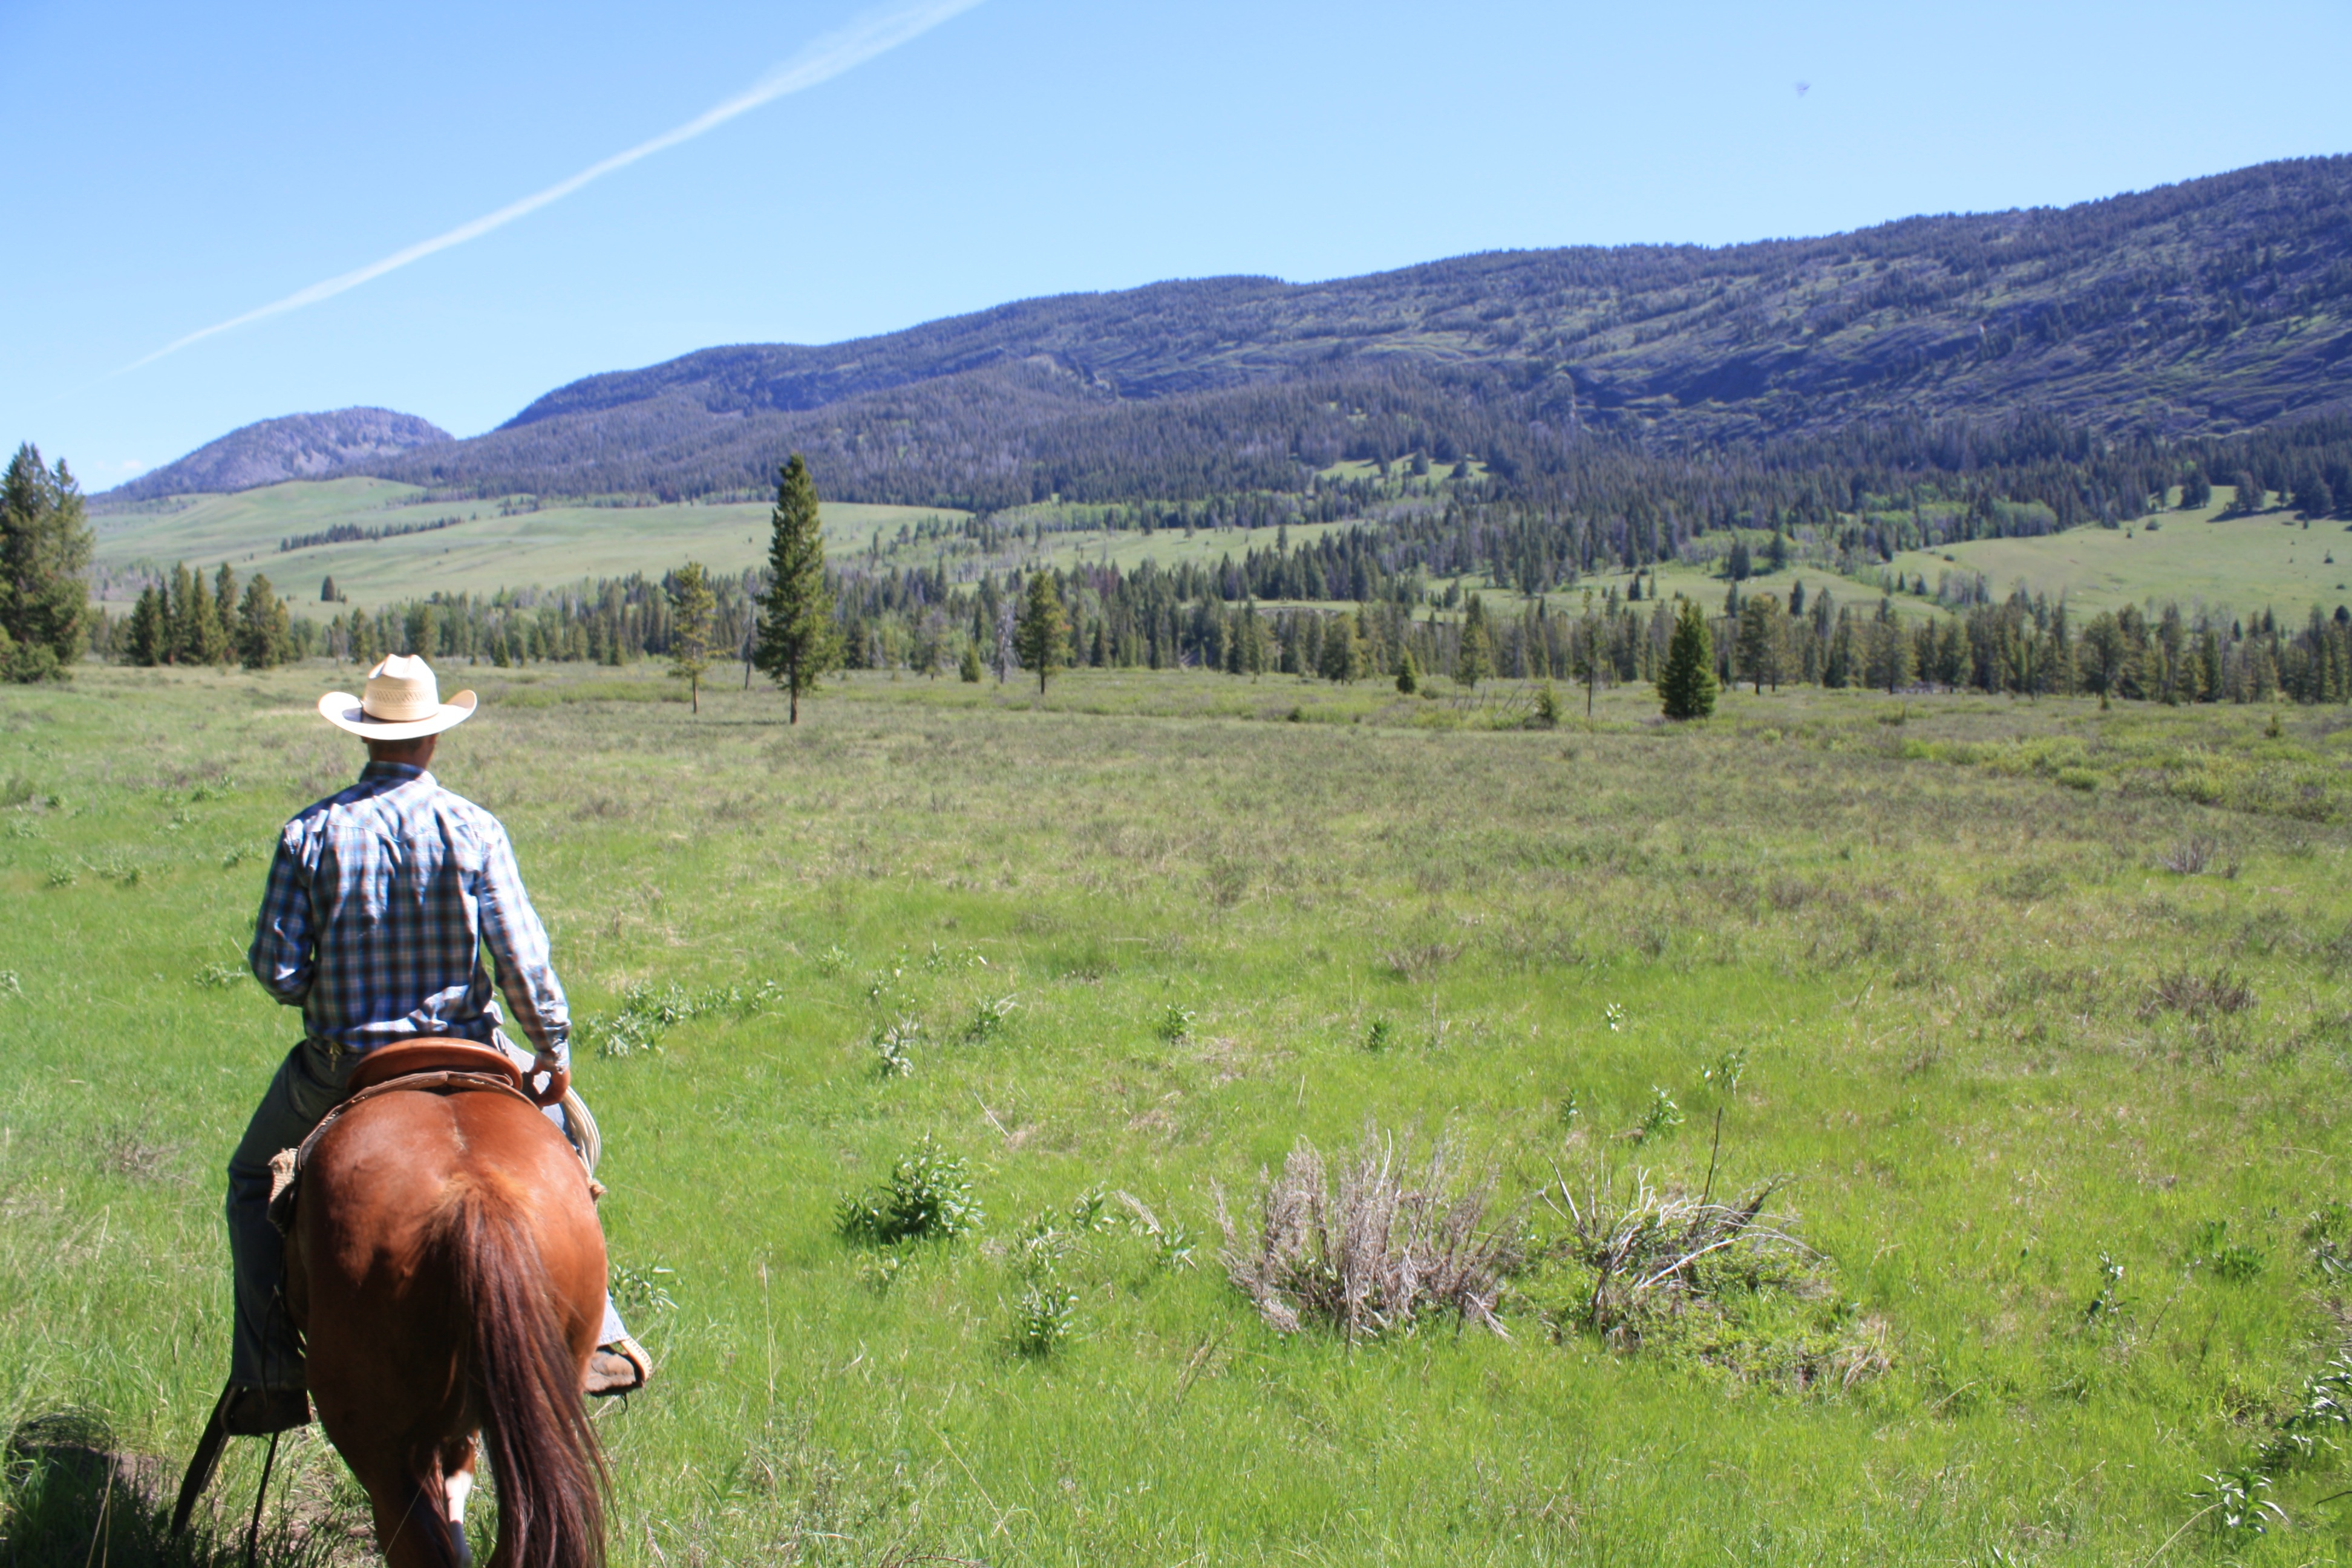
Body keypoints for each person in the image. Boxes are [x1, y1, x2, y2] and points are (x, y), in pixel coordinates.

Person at [216, 654, 652, 1437]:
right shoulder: (475, 827)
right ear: (433, 740)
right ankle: (600, 1337)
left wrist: (324, 987)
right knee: (563, 1155)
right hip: (472, 1051)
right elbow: (523, 960)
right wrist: (551, 1048)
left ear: (367, 736)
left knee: (253, 1184)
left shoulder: (311, 831)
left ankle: (272, 1374)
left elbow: (275, 970)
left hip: (345, 1065)